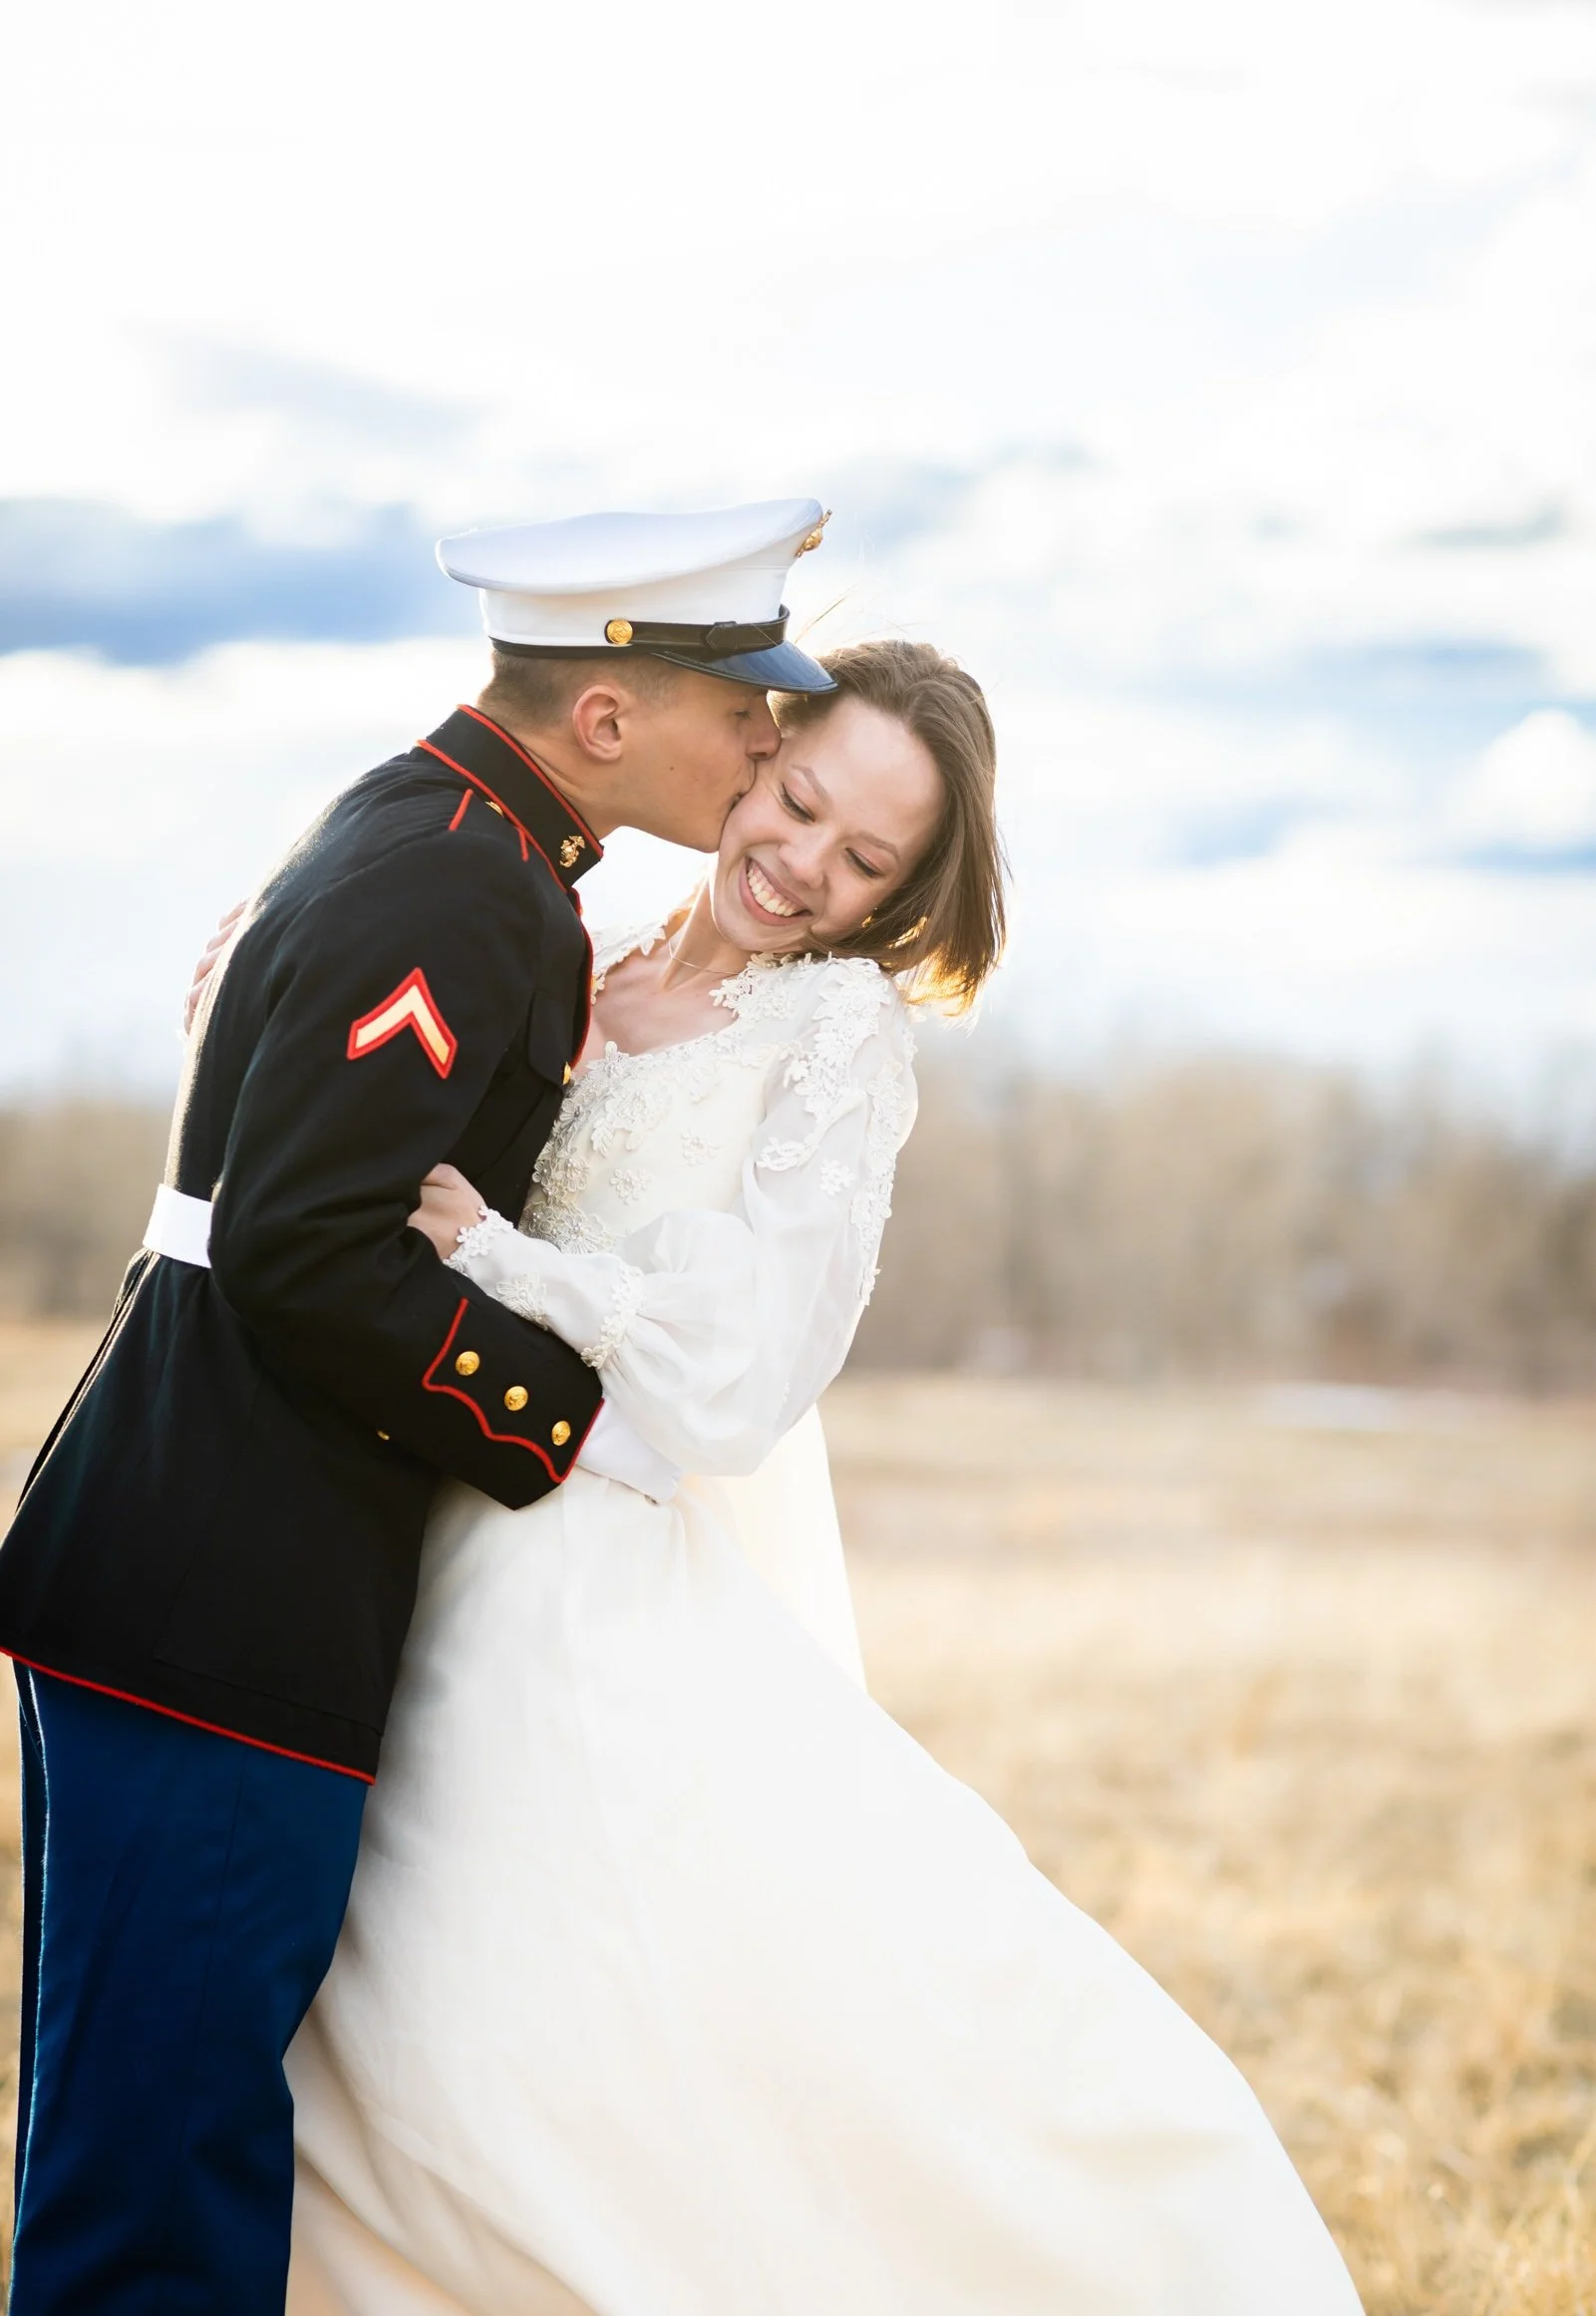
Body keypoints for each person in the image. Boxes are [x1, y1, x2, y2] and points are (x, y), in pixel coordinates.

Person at [283, 641, 1365, 2315]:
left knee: (555, 1998)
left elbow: (750, 1373)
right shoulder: (585, 948)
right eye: (797, 802)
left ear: (906, 895)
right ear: (760, 743)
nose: (801, 866)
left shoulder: (837, 1030)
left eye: (865, 862)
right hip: (432, 1527)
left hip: (587, 1569)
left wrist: (512, 1261)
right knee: (406, 2024)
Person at [0, 496, 834, 2314]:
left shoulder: (439, 831)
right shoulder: (467, 876)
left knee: (155, 2142)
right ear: (605, 717)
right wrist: (580, 1429)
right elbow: (311, 1251)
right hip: (226, 1592)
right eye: (742, 705)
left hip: (189, 1571)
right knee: (154, 2189)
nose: (769, 739)